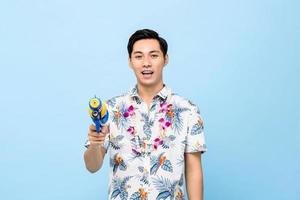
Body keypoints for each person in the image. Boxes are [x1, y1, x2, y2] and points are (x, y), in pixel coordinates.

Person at [84, 29, 207, 200]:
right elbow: (92, 166)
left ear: (165, 59)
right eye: (139, 56)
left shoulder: (187, 110)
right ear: (130, 61)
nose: (146, 63)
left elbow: (194, 171)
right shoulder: (111, 109)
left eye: (154, 55)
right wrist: (95, 145)